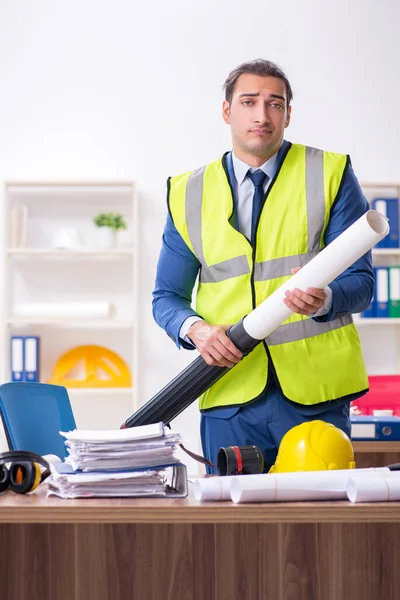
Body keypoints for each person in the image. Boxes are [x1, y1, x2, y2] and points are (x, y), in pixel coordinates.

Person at [152, 59, 374, 473]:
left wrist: (326, 298)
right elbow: (166, 298)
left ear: (289, 114)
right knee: (233, 534)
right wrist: (196, 329)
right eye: (249, 101)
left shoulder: (330, 173)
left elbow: (361, 283)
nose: (261, 115)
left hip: (315, 395)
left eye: (275, 104)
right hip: (229, 393)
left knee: (320, 533)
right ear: (226, 111)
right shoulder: (187, 193)